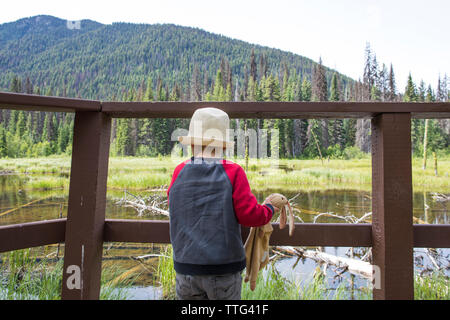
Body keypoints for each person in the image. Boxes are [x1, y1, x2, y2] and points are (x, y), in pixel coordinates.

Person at [167, 107, 277, 300]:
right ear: (223, 146)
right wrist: (268, 208)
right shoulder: (233, 172)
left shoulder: (179, 171)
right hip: (223, 270)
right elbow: (249, 215)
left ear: (192, 144)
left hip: (185, 268)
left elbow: (174, 204)